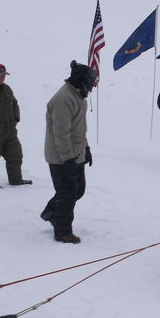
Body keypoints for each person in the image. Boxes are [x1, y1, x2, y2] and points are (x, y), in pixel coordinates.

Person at [40, 61, 96, 244]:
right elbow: (61, 134)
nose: (92, 86)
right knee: (67, 193)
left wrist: (86, 148)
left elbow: (80, 129)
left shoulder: (79, 97)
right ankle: (63, 231)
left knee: (78, 190)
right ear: (82, 81)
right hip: (61, 157)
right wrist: (68, 160)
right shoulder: (63, 99)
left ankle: (51, 211)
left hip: (75, 153)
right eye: (91, 82)